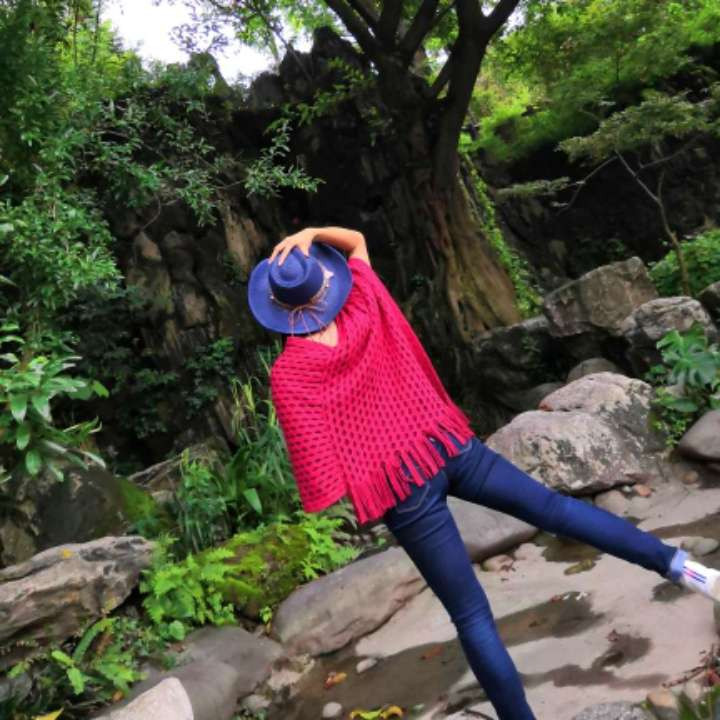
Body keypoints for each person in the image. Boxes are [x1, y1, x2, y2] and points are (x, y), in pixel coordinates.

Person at [247, 225, 720, 720]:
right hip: (449, 445)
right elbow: (357, 242)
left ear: (277, 309)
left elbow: (321, 473)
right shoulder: (363, 303)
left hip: (403, 490)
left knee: (471, 615)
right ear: (327, 285)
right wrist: (312, 232)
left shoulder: (291, 374)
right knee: (557, 510)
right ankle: (689, 570)